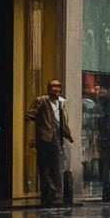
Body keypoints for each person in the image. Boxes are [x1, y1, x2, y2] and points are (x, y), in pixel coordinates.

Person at [26, 79, 74, 208]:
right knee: (44, 167)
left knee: (57, 166)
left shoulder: (61, 103)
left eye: (58, 87)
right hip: (44, 138)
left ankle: (55, 193)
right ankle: (50, 191)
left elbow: (62, 121)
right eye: (53, 87)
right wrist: (32, 136)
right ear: (48, 89)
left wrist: (67, 134)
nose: (56, 89)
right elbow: (30, 116)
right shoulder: (41, 101)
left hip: (57, 138)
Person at [94, 87, 110, 203]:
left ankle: (107, 191)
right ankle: (107, 191)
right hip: (109, 140)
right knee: (108, 167)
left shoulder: (102, 106)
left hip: (107, 140)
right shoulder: (106, 106)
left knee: (107, 166)